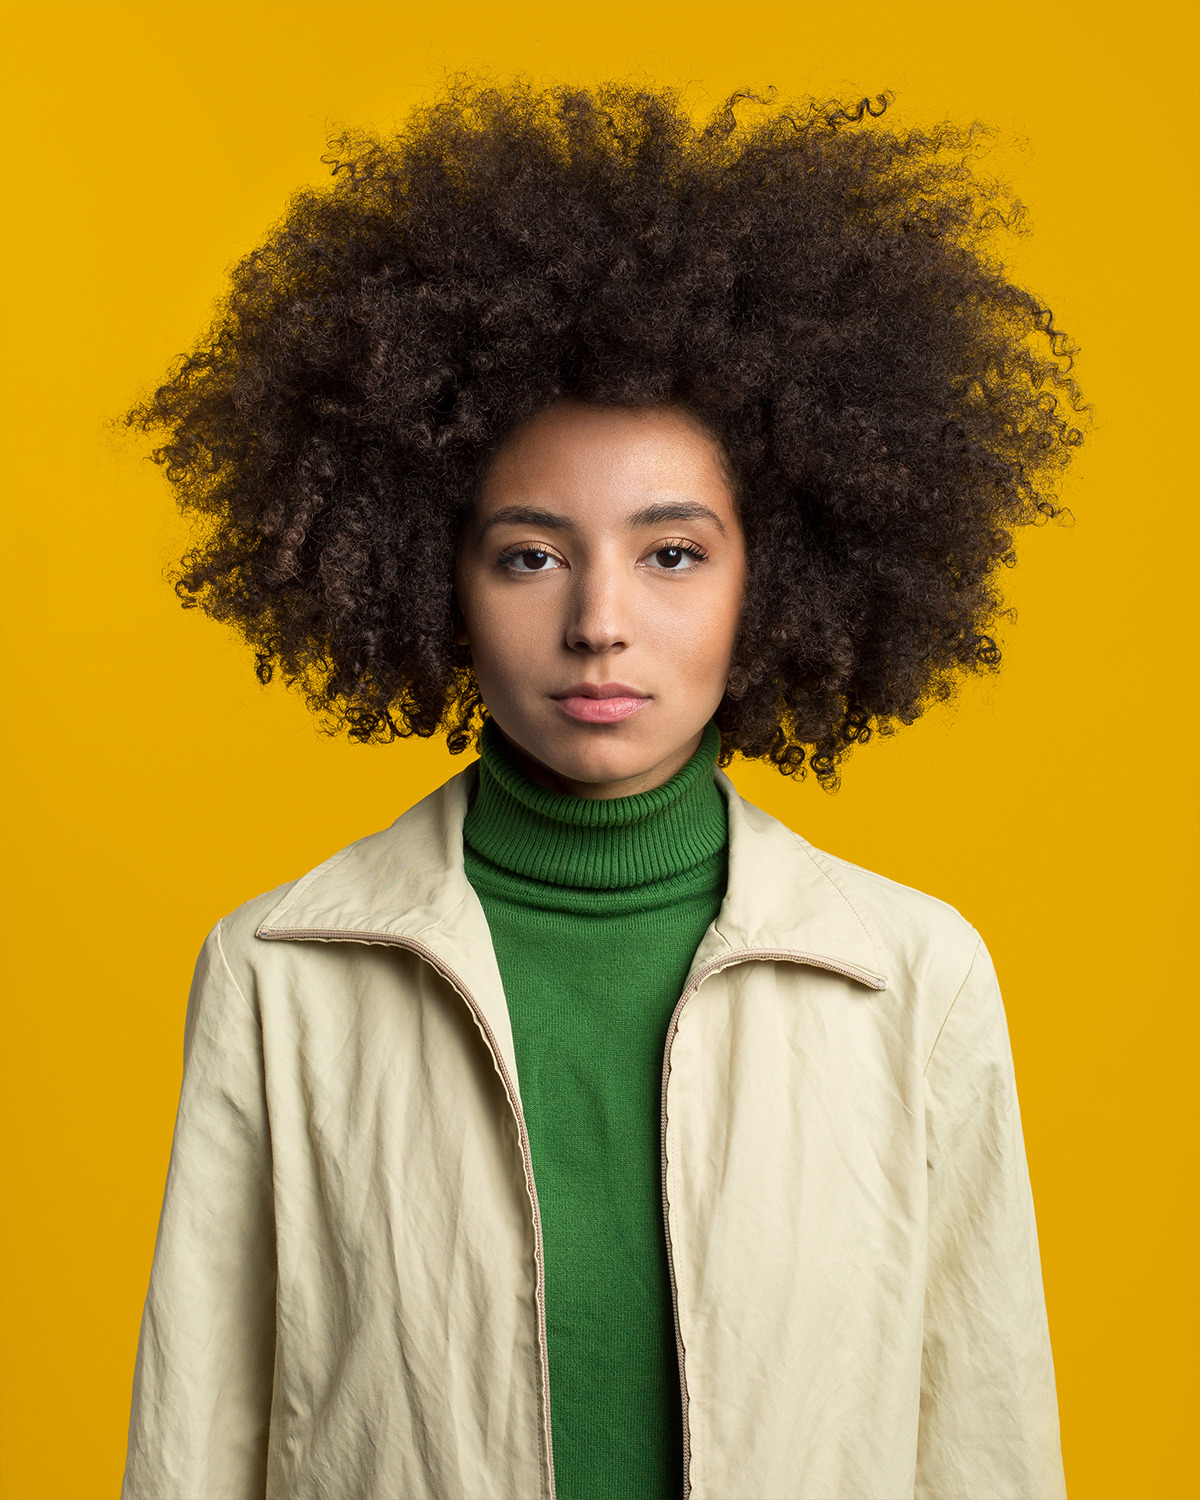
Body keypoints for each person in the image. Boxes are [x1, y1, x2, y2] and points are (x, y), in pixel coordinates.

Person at [120, 80, 1083, 1500]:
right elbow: (194, 1443)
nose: (602, 623)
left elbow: (985, 1444)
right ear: (422, 574)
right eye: (530, 554)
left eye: (674, 553)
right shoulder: (278, 976)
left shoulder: (912, 981)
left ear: (783, 575)